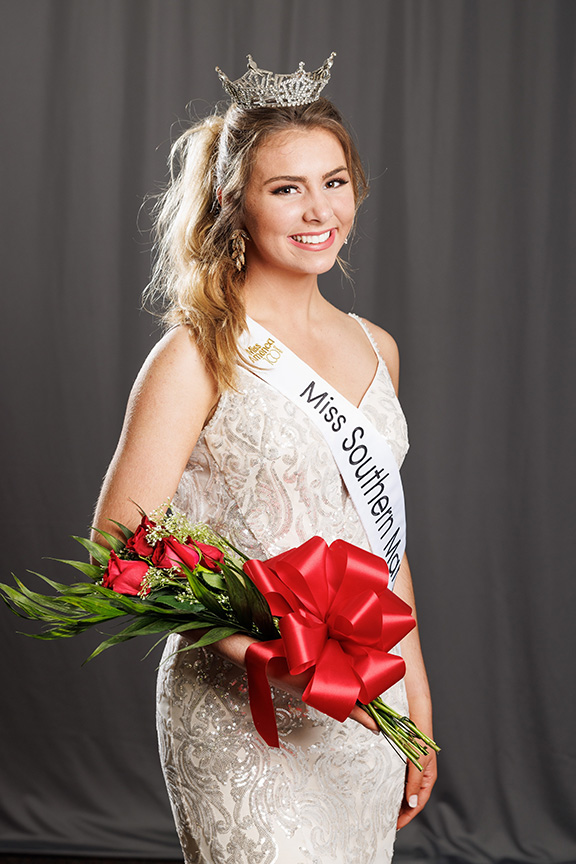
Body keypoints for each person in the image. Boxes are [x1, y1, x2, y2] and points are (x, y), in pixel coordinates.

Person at [93, 54, 436, 864]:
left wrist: (415, 703)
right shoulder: (197, 355)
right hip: (243, 716)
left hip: (360, 711)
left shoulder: (375, 349)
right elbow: (118, 550)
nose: (319, 210)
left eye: (336, 181)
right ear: (231, 200)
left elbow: (386, 546)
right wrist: (266, 652)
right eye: (286, 188)